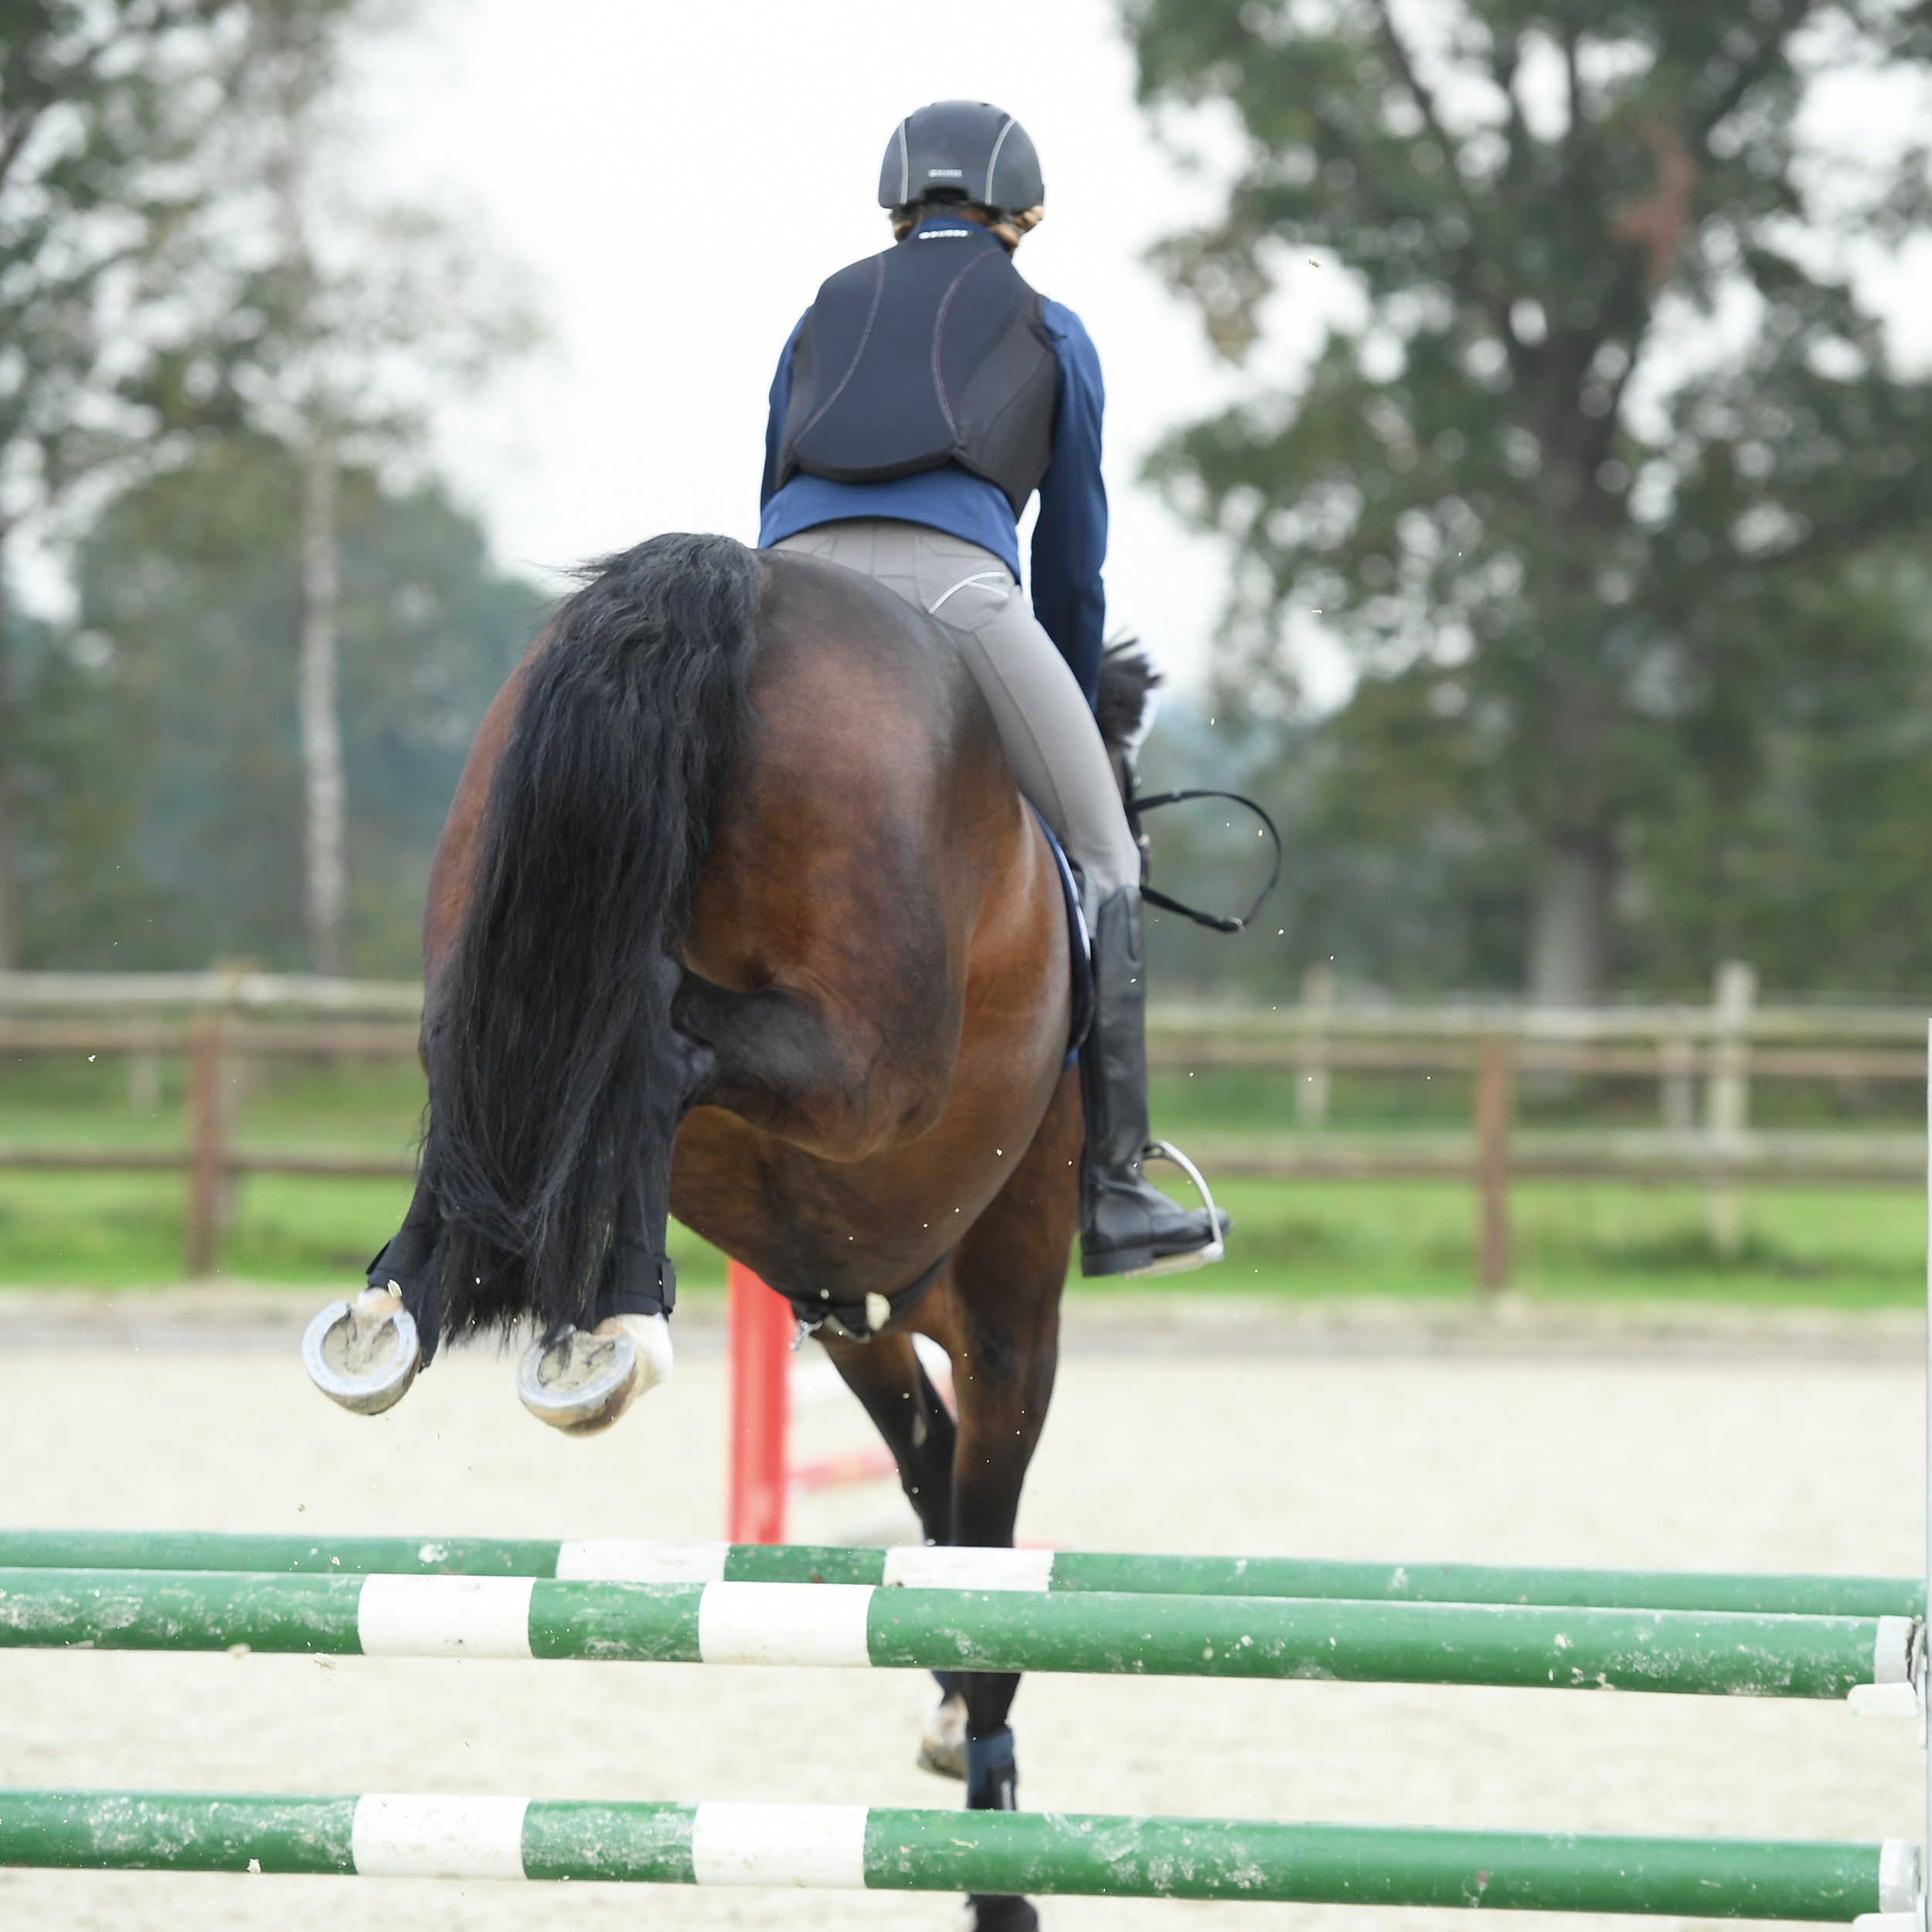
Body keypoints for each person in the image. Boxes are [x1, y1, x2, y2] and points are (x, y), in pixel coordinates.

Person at [760, 99, 1226, 1278]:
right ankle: (1115, 1188)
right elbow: (1074, 560)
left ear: (896, 206)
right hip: (960, 593)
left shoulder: (818, 311)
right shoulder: (1050, 325)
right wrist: (1074, 709)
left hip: (786, 590)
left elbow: (769, 486)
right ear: (1024, 213)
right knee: (1110, 856)